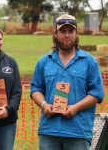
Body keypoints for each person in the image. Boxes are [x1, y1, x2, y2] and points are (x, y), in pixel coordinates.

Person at [30, 14, 104, 150]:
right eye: (63, 31)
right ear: (55, 33)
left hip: (78, 132)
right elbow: (35, 89)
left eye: (71, 31)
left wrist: (76, 107)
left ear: (76, 33)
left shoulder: (89, 62)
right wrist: (44, 104)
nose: (67, 35)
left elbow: (97, 93)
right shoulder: (44, 62)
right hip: (49, 131)